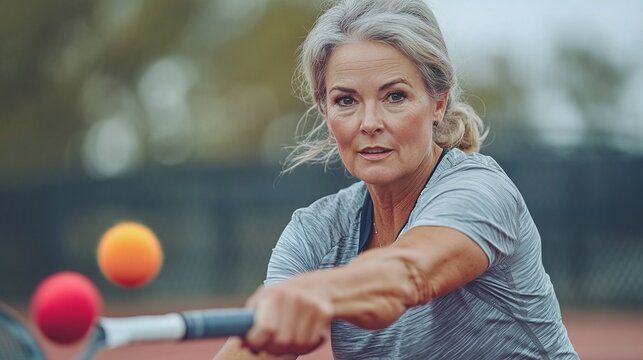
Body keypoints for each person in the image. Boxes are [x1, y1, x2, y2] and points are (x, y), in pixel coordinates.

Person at [215, 0, 578, 359]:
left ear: (438, 103)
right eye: (346, 101)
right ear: (324, 110)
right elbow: (257, 348)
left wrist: (317, 292)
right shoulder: (315, 232)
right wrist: (274, 321)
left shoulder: (480, 190)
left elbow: (406, 274)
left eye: (395, 96)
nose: (369, 122)